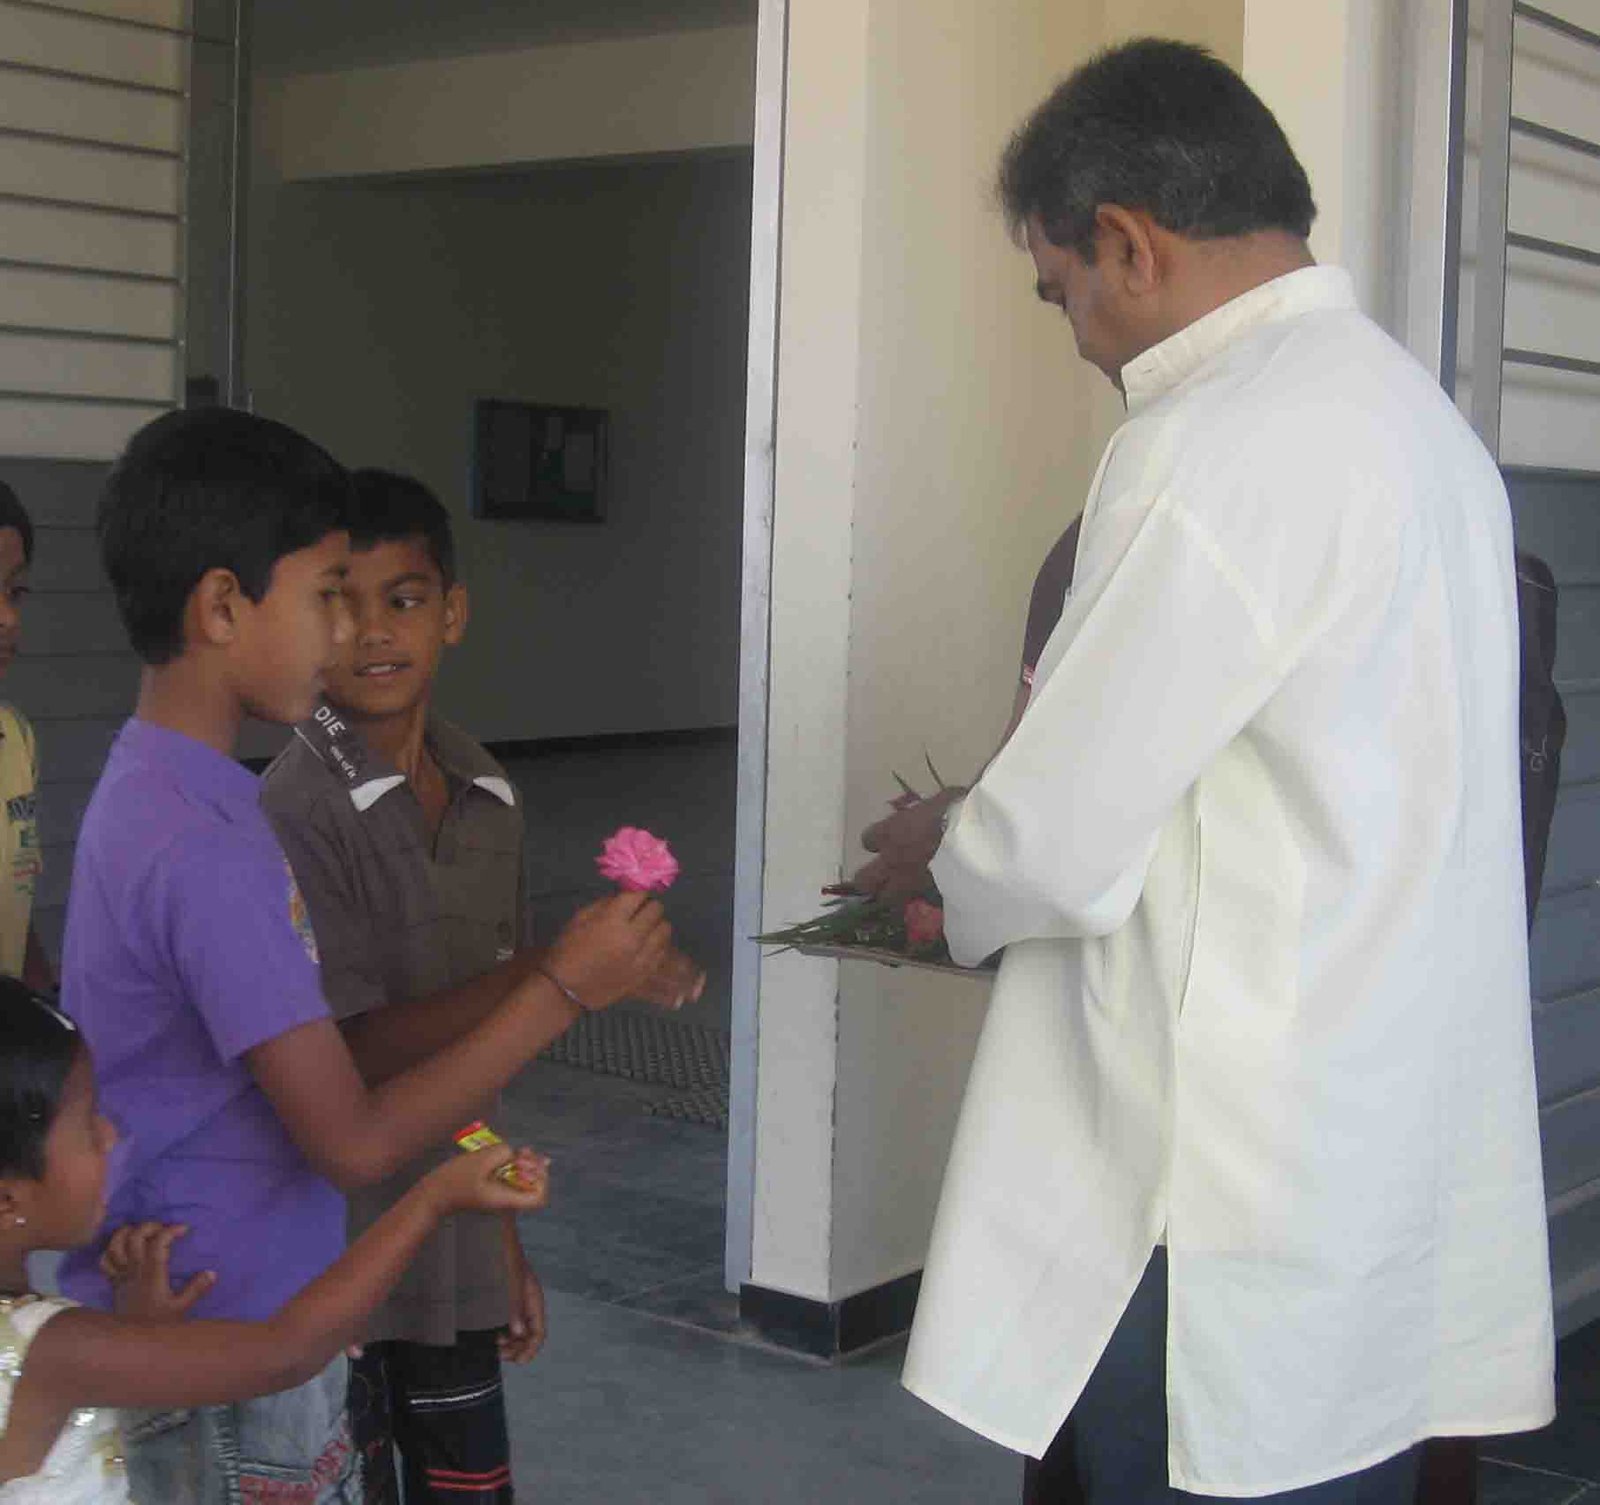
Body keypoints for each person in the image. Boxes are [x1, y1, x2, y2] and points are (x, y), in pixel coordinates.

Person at [856, 39, 1554, 1504]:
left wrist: (943, 850)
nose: (1078, 337)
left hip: (1214, 1182)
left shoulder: (1209, 440)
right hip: (1365, 1133)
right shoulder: (1419, 427)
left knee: (1204, 1456)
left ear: (1128, 242)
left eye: (1061, 291)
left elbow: (1053, 842)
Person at [58, 408, 677, 1501]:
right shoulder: (206, 843)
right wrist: (563, 990)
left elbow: (312, 1068)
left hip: (230, 1312)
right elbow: (351, 1138)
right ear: (221, 606)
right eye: (325, 596)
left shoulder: (172, 786)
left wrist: (548, 971)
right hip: (222, 1334)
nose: (346, 634)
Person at [260, 469, 702, 1502]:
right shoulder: (296, 806)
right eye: (342, 602)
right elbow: (346, 1056)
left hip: (451, 1233)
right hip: (334, 1251)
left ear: (452, 613)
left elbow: (478, 1058)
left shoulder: (486, 789)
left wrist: (499, 1231)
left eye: (405, 598)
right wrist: (557, 974)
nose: (374, 630)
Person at [0, 977, 552, 1502]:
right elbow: (286, 1352)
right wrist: (432, 1200)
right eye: (87, 1126)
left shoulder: (49, 1345)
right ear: (6, 1200)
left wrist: (139, 1330)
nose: (110, 1135)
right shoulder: (53, 1347)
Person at [0, 483, 51, 991]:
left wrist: (48, 1013)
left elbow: (15, 910)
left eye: (14, 592)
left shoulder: (15, 739)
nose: (8, 618)